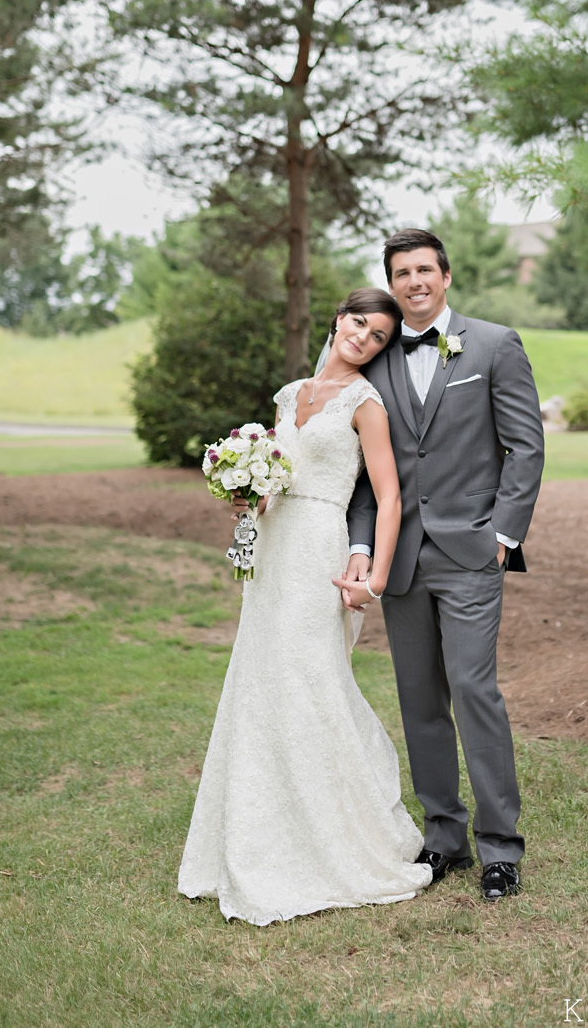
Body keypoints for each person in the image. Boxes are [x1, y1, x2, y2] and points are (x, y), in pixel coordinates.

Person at [177, 288, 433, 925]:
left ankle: (341, 837)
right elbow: (279, 476)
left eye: (377, 337)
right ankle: (259, 830)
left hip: (319, 549)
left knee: (311, 679)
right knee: (261, 681)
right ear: (338, 320)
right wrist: (250, 492)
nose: (364, 339)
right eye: (358, 325)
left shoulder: (365, 404)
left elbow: (389, 497)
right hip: (272, 550)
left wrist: (372, 574)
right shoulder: (290, 396)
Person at [337, 229, 545, 902]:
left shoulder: (493, 345)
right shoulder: (375, 358)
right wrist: (364, 545)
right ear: (391, 284)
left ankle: (499, 849)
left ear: (446, 276)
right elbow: (370, 477)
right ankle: (444, 837)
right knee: (420, 699)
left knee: (473, 689)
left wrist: (502, 535)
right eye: (401, 273)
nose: (413, 281)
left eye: (424, 269)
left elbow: (525, 446)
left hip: (470, 554)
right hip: (401, 559)